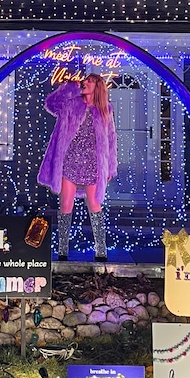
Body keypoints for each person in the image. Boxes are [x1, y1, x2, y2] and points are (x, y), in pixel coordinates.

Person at [38, 74, 118, 262]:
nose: (85, 83)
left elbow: (112, 139)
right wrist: (67, 87)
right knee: (65, 205)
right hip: (70, 160)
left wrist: (111, 167)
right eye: (85, 81)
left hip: (93, 163)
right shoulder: (71, 103)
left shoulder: (105, 109)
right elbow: (51, 104)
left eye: (89, 81)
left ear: (97, 85)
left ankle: (101, 250)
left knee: (95, 205)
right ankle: (62, 249)